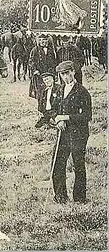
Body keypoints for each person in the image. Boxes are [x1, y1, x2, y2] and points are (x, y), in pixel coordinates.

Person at [51, 60, 92, 203]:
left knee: (78, 164)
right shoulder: (58, 90)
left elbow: (87, 116)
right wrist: (57, 119)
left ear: (73, 72)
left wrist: (66, 117)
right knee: (57, 163)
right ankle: (61, 196)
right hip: (62, 133)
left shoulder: (82, 91)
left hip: (78, 133)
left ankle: (80, 198)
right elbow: (53, 110)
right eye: (62, 74)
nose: (65, 77)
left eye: (67, 73)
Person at [29, 34, 58, 99]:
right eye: (40, 40)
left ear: (47, 40)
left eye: (44, 39)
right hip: (39, 74)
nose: (42, 41)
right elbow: (31, 61)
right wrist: (35, 70)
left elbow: (54, 62)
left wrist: (54, 73)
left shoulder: (51, 50)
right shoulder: (35, 50)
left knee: (50, 91)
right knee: (40, 92)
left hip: (48, 73)